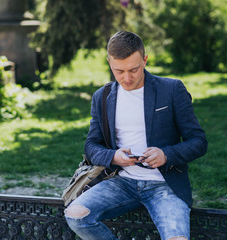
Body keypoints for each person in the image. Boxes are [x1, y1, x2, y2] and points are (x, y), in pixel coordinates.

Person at [64, 31, 208, 240]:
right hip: (121, 182)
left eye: (134, 69)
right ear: (109, 62)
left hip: (165, 185)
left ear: (145, 59)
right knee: (76, 216)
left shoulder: (172, 89)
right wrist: (114, 157)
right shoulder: (102, 97)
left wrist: (166, 155)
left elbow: (199, 142)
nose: (127, 78)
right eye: (118, 71)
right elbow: (91, 145)